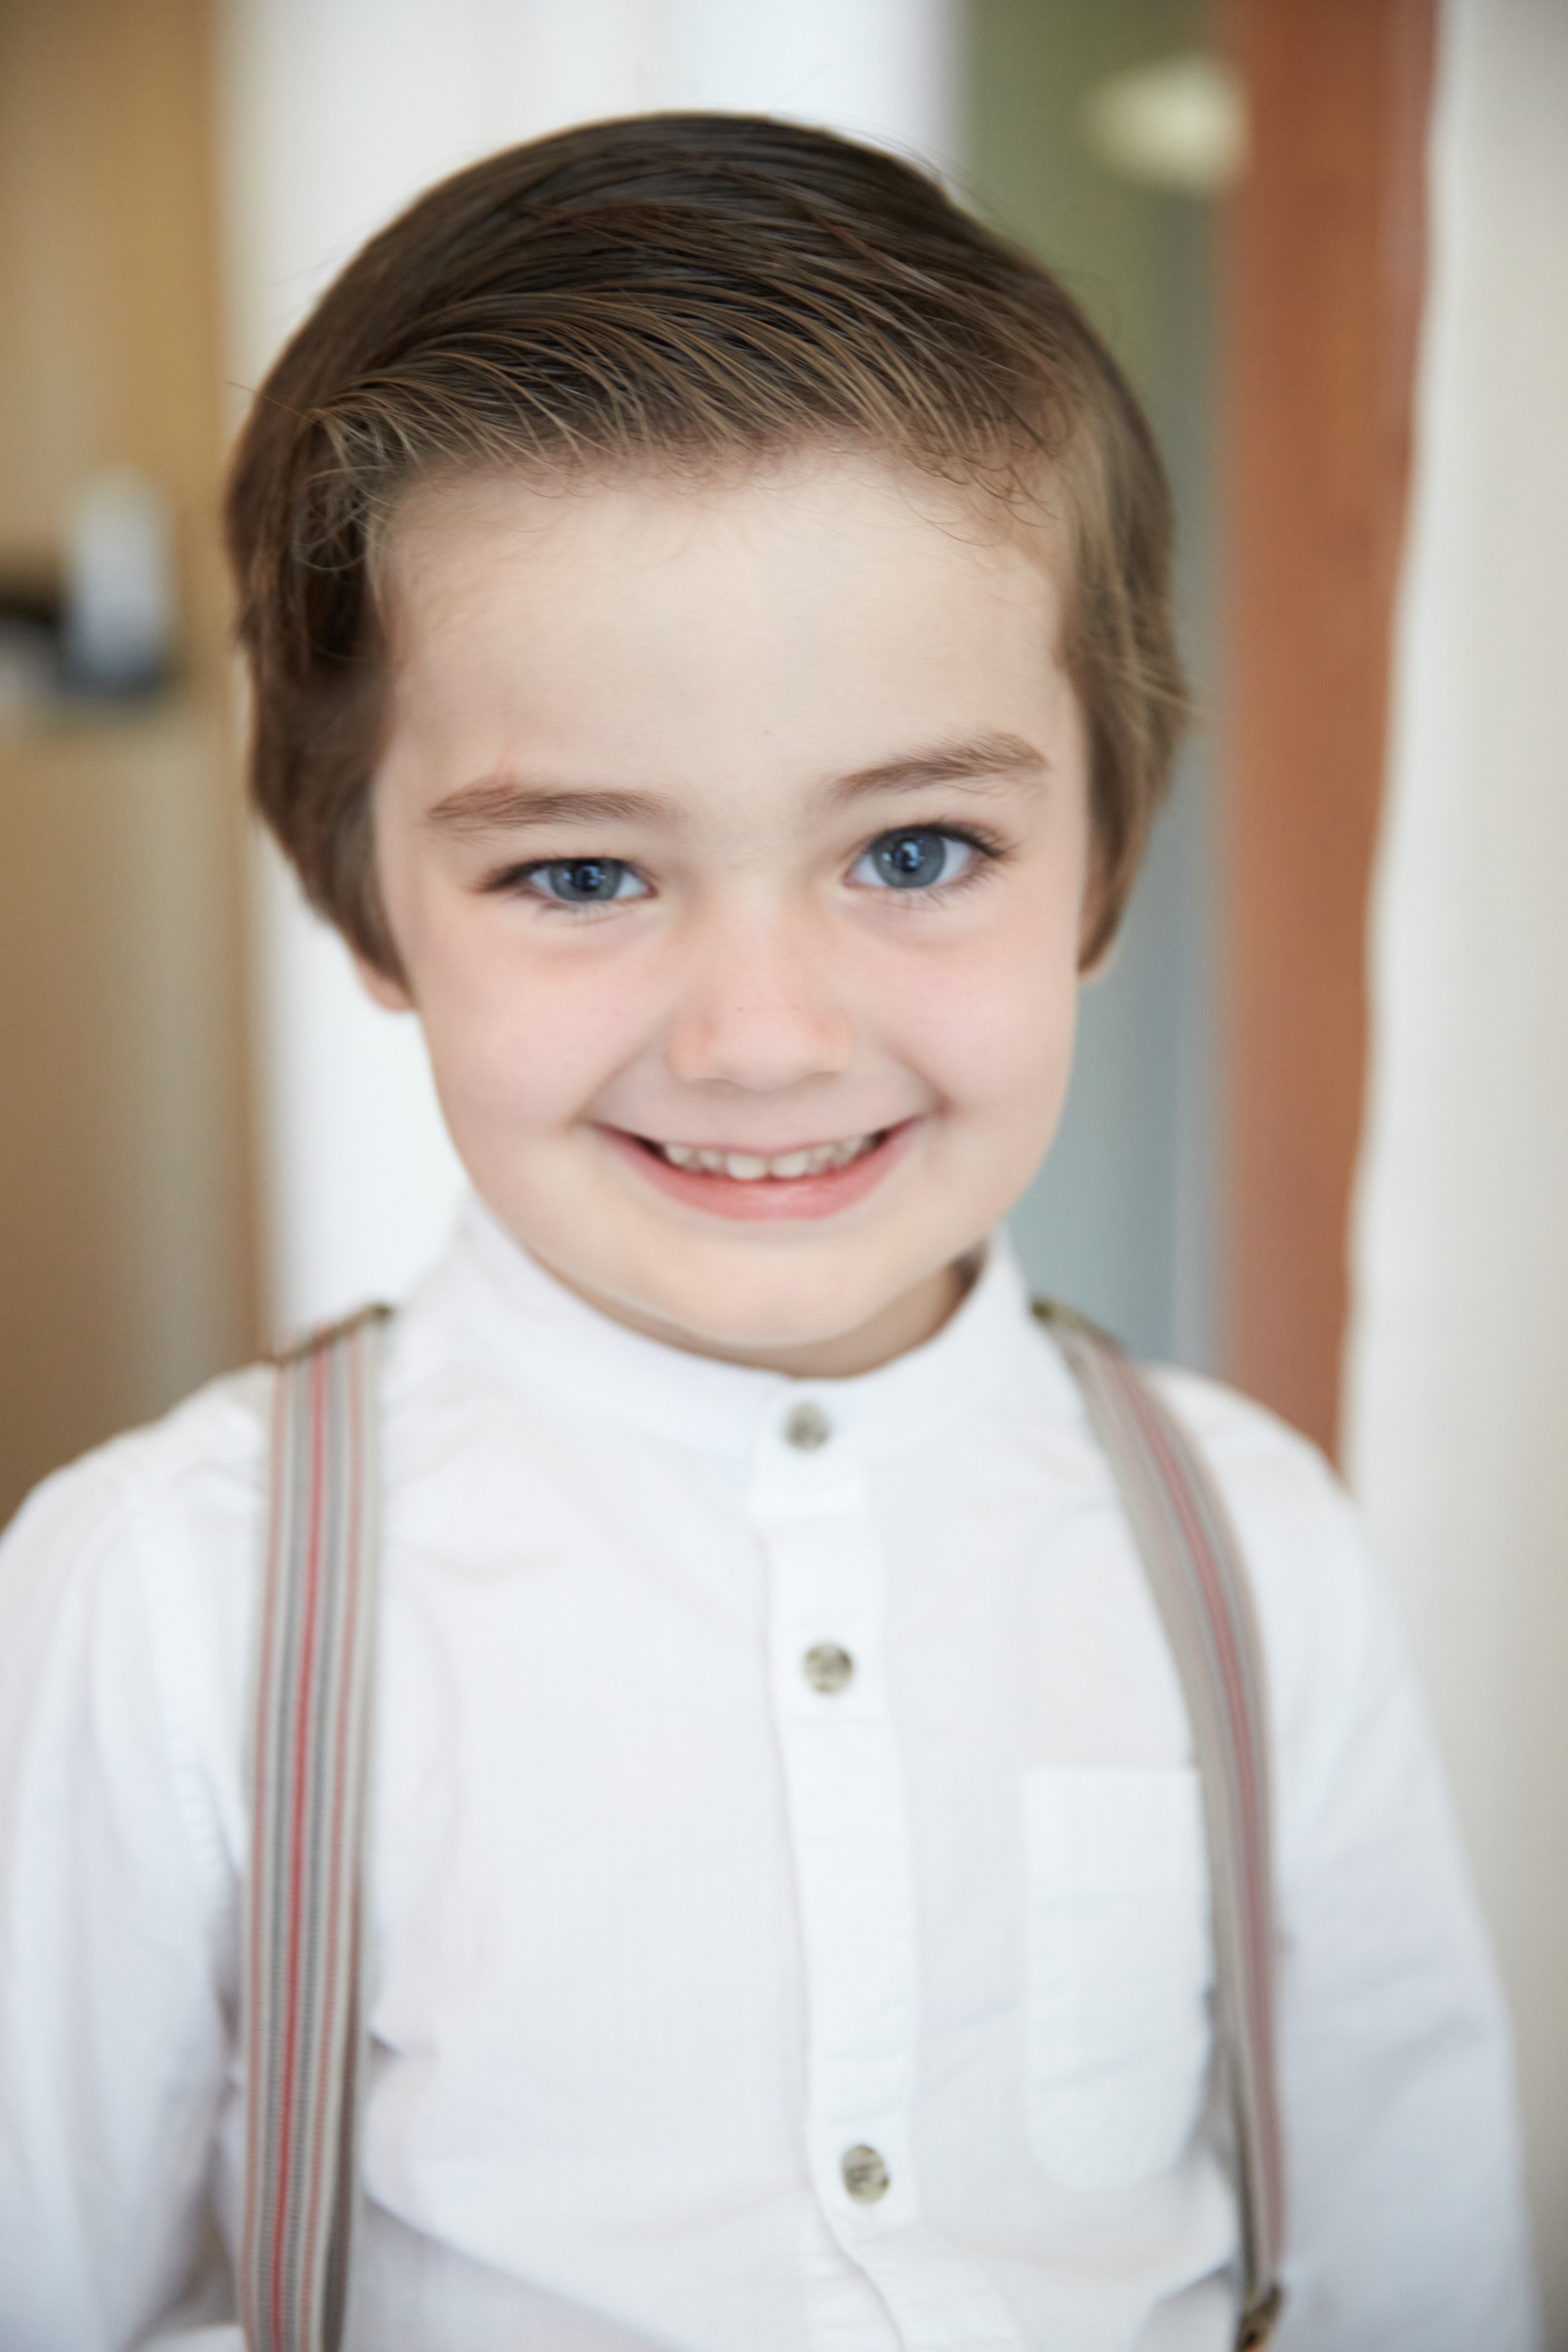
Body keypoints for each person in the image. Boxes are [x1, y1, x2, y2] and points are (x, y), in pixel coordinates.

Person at [0, 115, 1538, 2352]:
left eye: (912, 852)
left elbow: (1425, 2271)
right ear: (367, 903)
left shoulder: (1250, 1548)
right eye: (580, 871)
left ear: (1100, 860)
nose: (761, 1037)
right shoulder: (165, 1602)